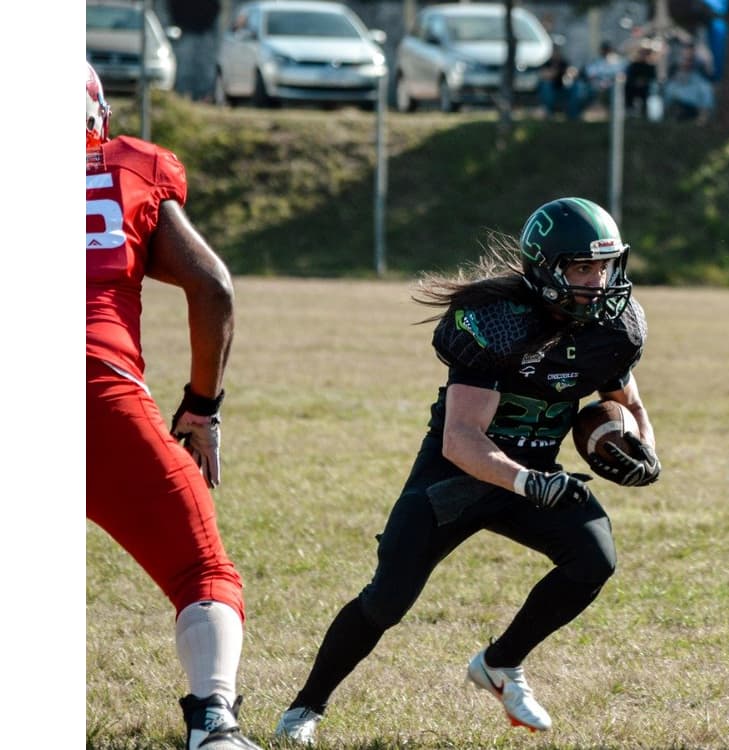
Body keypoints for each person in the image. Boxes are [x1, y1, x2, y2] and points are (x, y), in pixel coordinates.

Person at [274, 197, 661, 744]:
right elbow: (461, 441)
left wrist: (645, 450)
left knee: (593, 559)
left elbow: (630, 404)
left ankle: (501, 664)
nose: (598, 282)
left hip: (536, 478)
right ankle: (303, 710)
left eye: (604, 266)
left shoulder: (614, 326)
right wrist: (530, 481)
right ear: (545, 269)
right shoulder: (496, 321)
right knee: (387, 599)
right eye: (582, 268)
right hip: (456, 480)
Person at [85, 62, 262, 750]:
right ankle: (213, 721)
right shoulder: (124, 167)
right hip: (95, 392)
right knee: (202, 572)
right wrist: (202, 406)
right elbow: (212, 286)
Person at [663, 46, 715, 123]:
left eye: (690, 59)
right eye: (685, 58)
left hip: (694, 91)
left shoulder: (698, 69)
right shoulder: (674, 69)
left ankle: (703, 117)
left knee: (705, 90)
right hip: (679, 91)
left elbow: (709, 76)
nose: (687, 61)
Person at [583, 41, 627, 112]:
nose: (607, 52)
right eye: (605, 50)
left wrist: (611, 81)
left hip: (614, 88)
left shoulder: (621, 63)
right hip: (597, 88)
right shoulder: (596, 62)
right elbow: (590, 75)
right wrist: (600, 83)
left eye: (608, 50)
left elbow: (623, 76)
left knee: (617, 92)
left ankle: (618, 113)